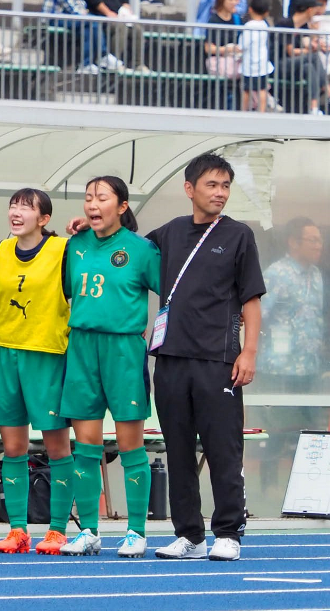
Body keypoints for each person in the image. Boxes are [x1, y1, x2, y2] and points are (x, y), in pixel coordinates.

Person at [142, 153, 264, 562]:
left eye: (226, 186)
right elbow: (126, 249)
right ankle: (189, 535)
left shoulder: (238, 235)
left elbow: (251, 299)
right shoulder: (170, 232)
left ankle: (228, 531)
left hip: (219, 360)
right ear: (189, 188)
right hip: (171, 358)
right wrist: (87, 227)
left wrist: (248, 351)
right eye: (212, 185)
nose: (220, 193)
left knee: (223, 449)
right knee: (177, 450)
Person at [59, 176, 161, 558]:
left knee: (130, 443)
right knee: (85, 446)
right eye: (88, 198)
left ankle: (136, 531)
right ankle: (89, 530)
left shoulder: (141, 250)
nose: (93, 204)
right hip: (82, 347)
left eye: (102, 198)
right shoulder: (75, 245)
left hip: (123, 351)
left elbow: (169, 293)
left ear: (121, 206)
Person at [0, 188, 75, 556]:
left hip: (47, 354)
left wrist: (83, 228)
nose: (16, 212)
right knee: (12, 448)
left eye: (26, 207)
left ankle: (56, 530)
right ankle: (18, 530)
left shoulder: (62, 250)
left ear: (44, 219)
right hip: (7, 353)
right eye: (13, 205)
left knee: (57, 446)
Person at [258, 217, 324, 389]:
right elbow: (255, 317)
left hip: (310, 369)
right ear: (294, 243)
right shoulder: (277, 274)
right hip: (280, 371)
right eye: (313, 240)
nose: (319, 246)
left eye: (320, 240)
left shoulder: (316, 275)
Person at [237, 0, 274, 112]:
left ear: (250, 9)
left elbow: (243, 45)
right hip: (262, 62)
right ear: (266, 12)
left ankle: (244, 111)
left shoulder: (249, 26)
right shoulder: (264, 25)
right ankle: (261, 112)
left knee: (246, 89)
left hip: (249, 62)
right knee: (262, 89)